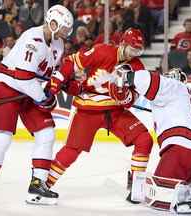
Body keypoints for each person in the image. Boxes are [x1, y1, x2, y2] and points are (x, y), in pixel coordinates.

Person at [0, 5, 74, 206]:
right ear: (53, 23)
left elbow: (47, 75)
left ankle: (37, 186)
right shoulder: (33, 39)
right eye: (64, 28)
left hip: (31, 89)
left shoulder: (57, 44)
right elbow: (22, 78)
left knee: (46, 133)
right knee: (2, 136)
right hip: (8, 86)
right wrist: (44, 98)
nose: (66, 32)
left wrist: (61, 85)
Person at [45, 28, 153, 203]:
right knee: (71, 151)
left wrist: (122, 95)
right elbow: (71, 61)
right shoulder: (102, 50)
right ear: (123, 44)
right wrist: (58, 80)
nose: (134, 54)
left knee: (144, 139)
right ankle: (43, 185)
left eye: (138, 51)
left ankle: (137, 185)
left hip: (116, 112)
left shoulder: (137, 67)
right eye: (132, 49)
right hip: (88, 109)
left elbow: (131, 99)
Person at [109, 67, 191, 214]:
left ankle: (185, 199)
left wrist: (124, 75)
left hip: (181, 149)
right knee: (176, 181)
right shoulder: (187, 94)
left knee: (157, 192)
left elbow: (145, 78)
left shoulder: (172, 86)